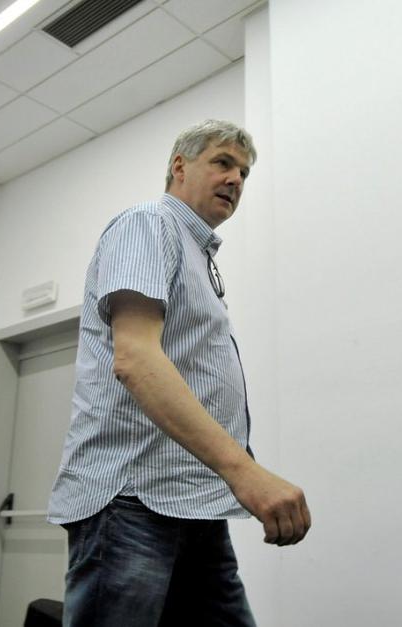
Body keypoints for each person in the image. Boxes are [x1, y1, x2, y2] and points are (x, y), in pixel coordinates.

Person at [47, 119, 311, 627]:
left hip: (194, 500)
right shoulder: (149, 224)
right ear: (179, 166)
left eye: (244, 172)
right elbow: (136, 359)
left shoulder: (198, 254)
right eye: (223, 162)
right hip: (133, 498)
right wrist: (245, 471)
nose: (236, 179)